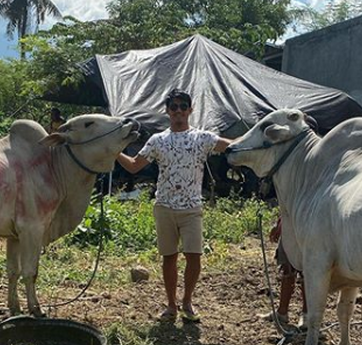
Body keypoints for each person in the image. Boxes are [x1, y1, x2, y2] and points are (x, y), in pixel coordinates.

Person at [117, 89, 232, 322]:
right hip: (164, 206)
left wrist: (259, 137)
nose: (178, 111)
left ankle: (187, 301)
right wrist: (113, 151)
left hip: (191, 207)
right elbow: (133, 166)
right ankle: (171, 305)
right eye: (174, 107)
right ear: (167, 111)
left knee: (194, 256)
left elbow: (231, 147)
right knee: (169, 257)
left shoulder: (203, 138)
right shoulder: (157, 140)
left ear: (190, 110)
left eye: (183, 106)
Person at [259, 213, 308, 329]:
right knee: (287, 269)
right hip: (289, 226)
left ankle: (307, 315)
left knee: (307, 272)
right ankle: (282, 312)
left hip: (307, 226)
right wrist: (281, 222)